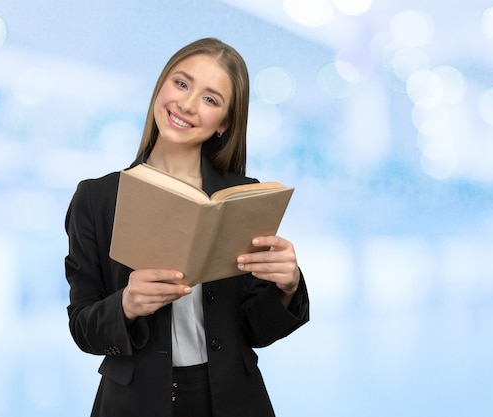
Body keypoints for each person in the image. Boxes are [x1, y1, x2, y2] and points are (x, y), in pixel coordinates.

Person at [64, 37, 310, 417]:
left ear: (224, 123)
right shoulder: (96, 199)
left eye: (211, 99)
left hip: (233, 400)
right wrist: (126, 306)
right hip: (134, 404)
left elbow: (257, 331)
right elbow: (83, 328)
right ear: (161, 86)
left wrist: (287, 287)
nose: (187, 104)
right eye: (181, 84)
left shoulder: (241, 197)